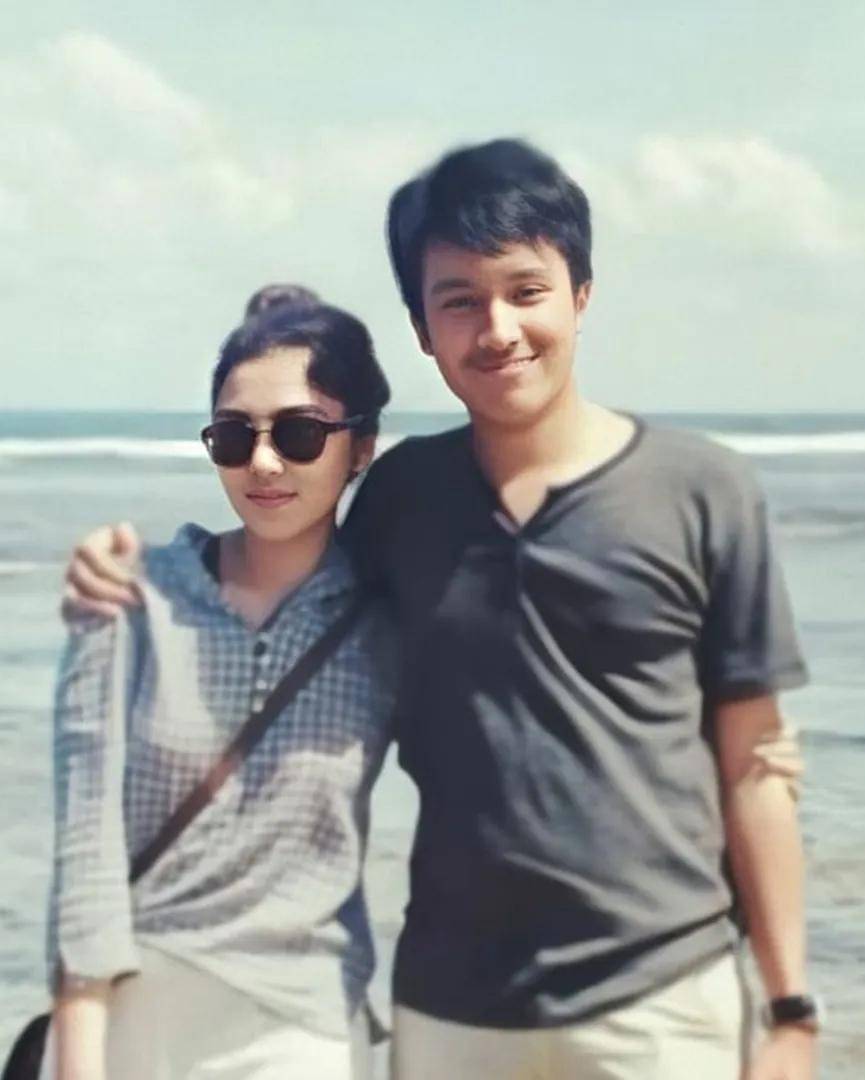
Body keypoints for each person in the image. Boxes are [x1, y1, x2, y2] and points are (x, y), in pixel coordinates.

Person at [63, 140, 815, 1080]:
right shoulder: (402, 502)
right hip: (448, 1012)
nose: (497, 328)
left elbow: (754, 764)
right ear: (423, 329)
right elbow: (276, 564)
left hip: (662, 1002)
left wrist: (790, 1009)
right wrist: (133, 569)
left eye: (525, 290)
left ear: (581, 294)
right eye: (459, 300)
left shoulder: (702, 490)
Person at [42, 288, 395, 1080]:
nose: (263, 463)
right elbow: (85, 852)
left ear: (361, 447)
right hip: (134, 1015)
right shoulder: (129, 597)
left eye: (300, 433)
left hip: (302, 1027)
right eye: (235, 436)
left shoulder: (390, 619)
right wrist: (78, 1055)